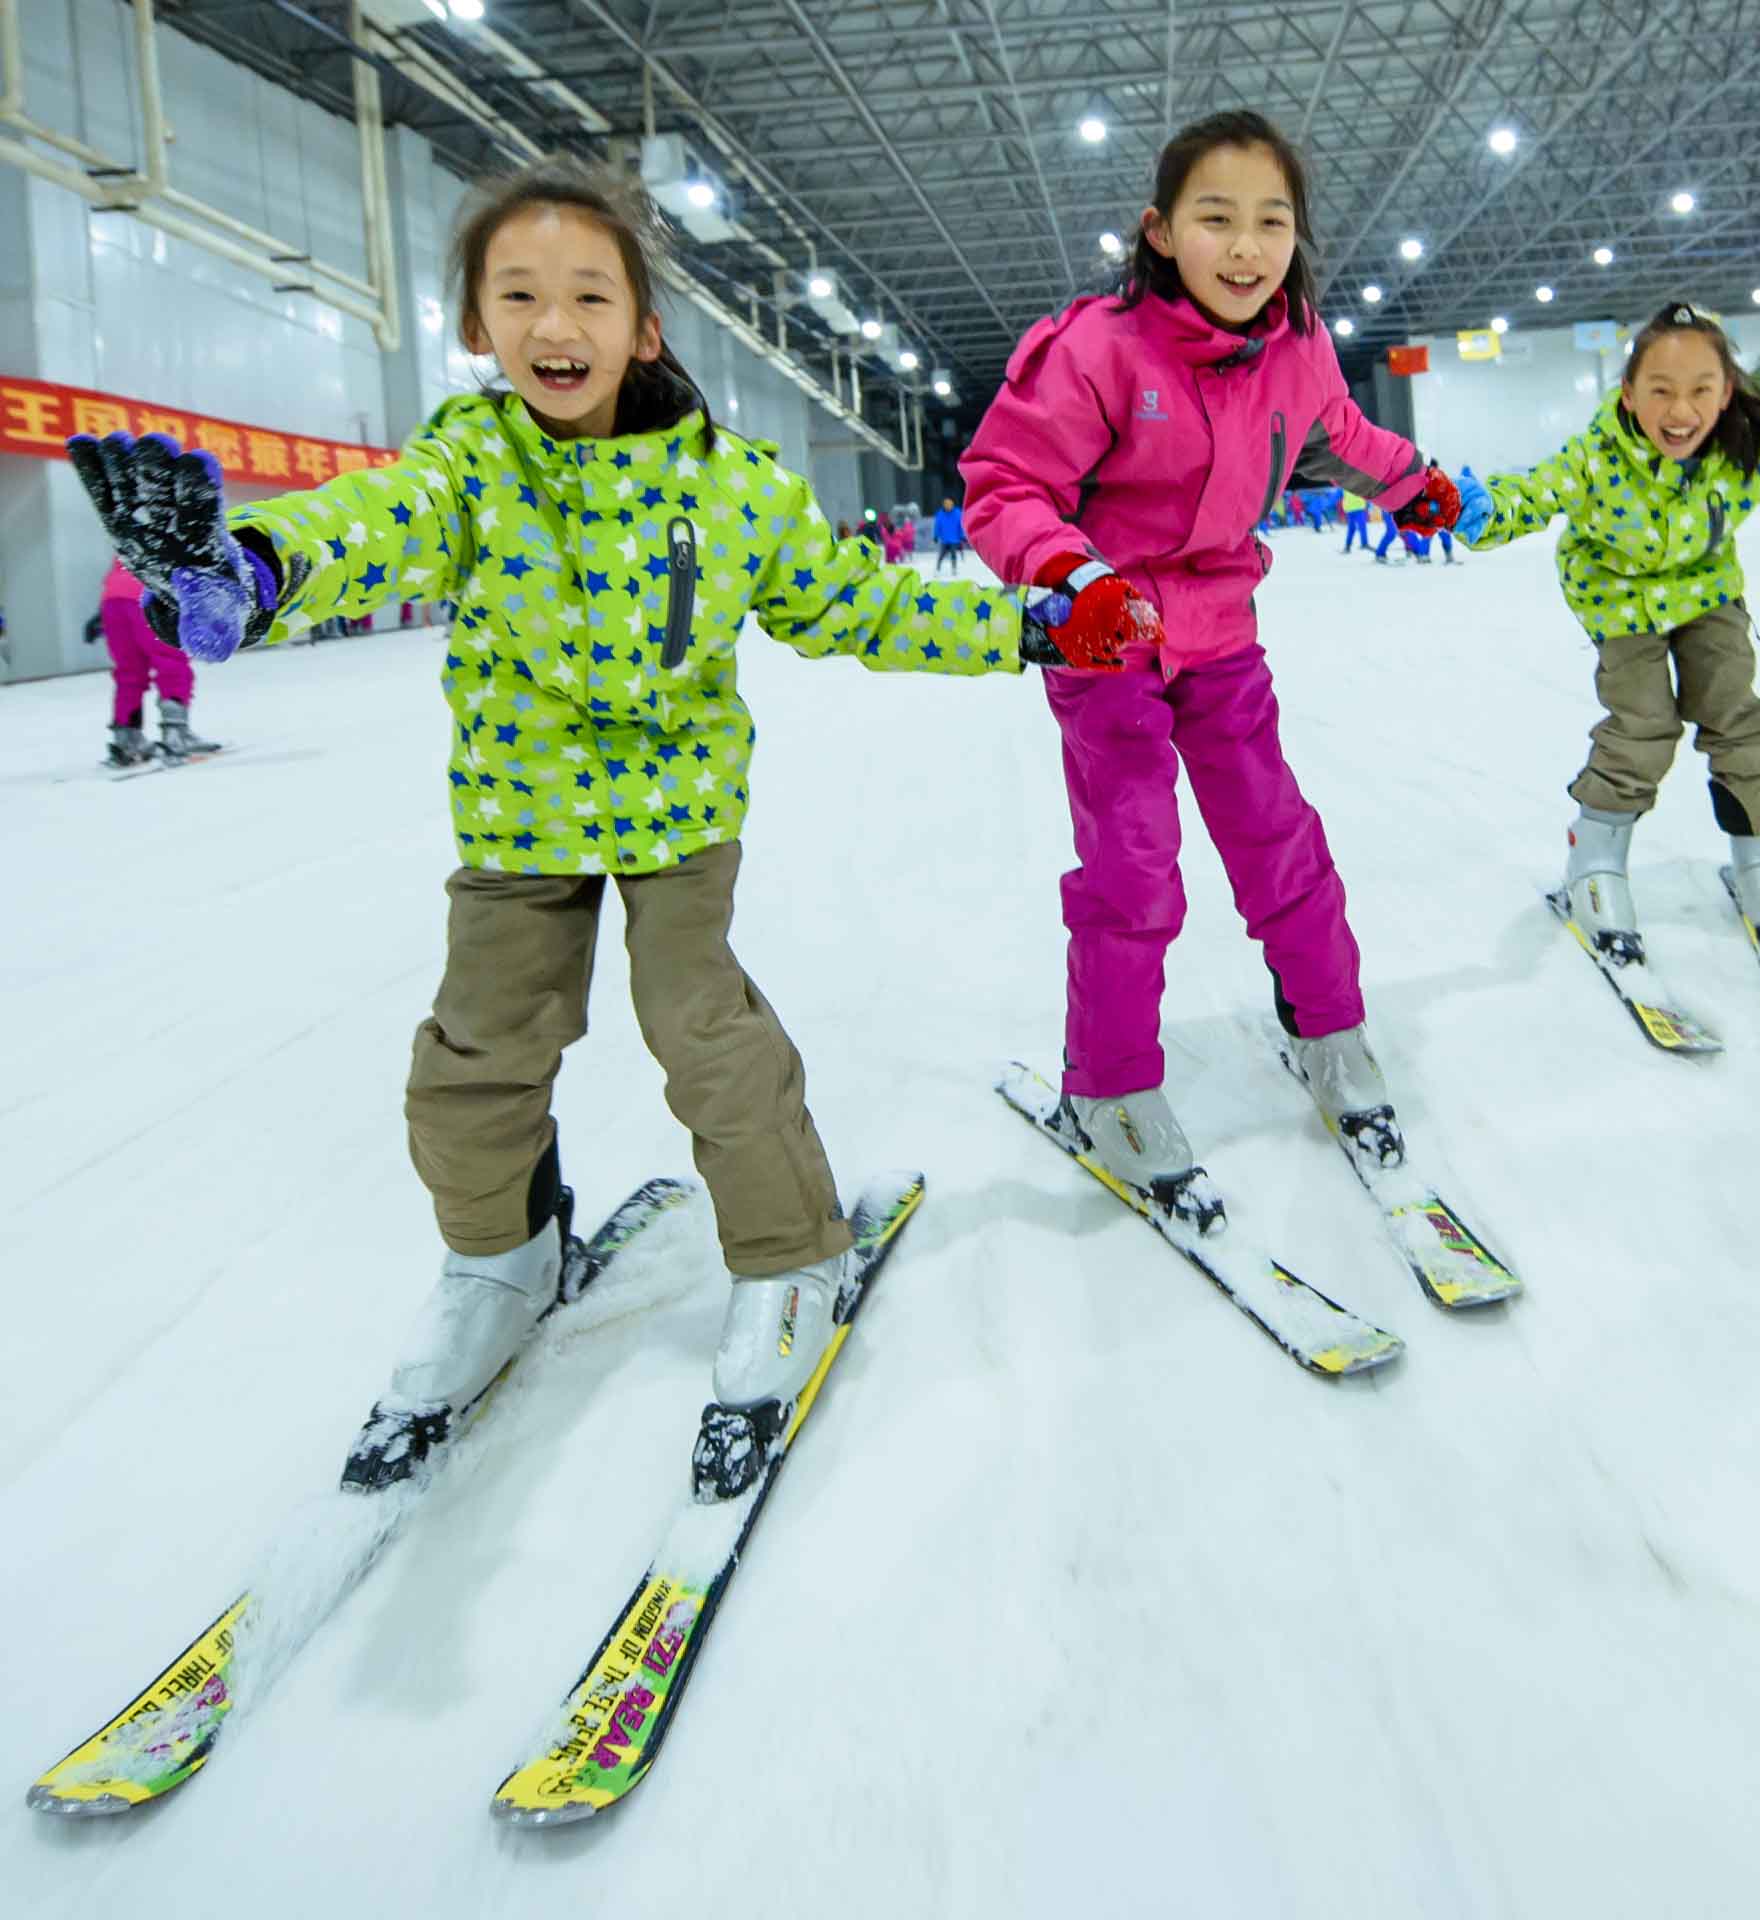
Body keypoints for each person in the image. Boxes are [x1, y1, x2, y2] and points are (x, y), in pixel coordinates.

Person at [66, 155, 1068, 1454]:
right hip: (521, 810)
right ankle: (501, 1263)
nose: (556, 324)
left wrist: (1027, 627)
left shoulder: (730, 482)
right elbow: (376, 522)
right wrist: (254, 568)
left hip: (676, 810)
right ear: (479, 327)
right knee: (474, 1056)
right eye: (520, 295)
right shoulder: (472, 465)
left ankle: (790, 1254)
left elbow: (855, 601)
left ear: (642, 327)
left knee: (698, 1025)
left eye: (590, 295)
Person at [961, 107, 1469, 1216]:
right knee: (1134, 866)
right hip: (1108, 641)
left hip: (1223, 637)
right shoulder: (1096, 349)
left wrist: (1409, 483)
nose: (1245, 248)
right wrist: (1066, 574)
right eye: (1216, 219)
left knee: (1276, 838)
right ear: (1159, 232)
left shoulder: (1296, 348)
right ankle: (1106, 1085)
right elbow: (1006, 483)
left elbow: (1336, 429)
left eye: (1270, 222)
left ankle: (1328, 1028)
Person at [1455, 300, 1760, 975]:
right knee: (1643, 727)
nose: (1679, 410)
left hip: (1707, 591)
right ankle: (1594, 860)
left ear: (1725, 395)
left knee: (1736, 716)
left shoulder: (1749, 451)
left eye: (1699, 390)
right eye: (1660, 390)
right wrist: (1481, 513)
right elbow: (1535, 492)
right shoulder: (1598, 457)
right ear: (1629, 394)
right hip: (1619, 597)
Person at [97, 555, 219, 767]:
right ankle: (176, 734)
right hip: (148, 596)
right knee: (172, 664)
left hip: (112, 600)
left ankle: (126, 739)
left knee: (129, 672)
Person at [932, 496, 967, 572]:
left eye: (949, 504)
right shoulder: (940, 514)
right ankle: (938, 568)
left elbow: (961, 526)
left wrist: (962, 536)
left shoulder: (958, 513)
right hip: (944, 539)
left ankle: (954, 568)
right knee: (941, 555)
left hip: (954, 539)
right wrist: (935, 536)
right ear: (944, 505)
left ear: (952, 504)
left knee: (953, 555)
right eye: (946, 504)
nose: (948, 506)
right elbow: (937, 526)